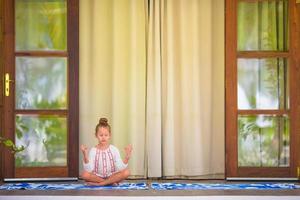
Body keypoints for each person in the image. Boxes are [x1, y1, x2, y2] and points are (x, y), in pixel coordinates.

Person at [80, 117, 132, 186]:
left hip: (112, 176)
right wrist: (85, 154)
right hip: (97, 177)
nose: (103, 137)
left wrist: (127, 157)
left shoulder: (114, 149)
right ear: (96, 135)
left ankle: (100, 184)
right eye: (101, 135)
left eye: (106, 135)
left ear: (109, 135)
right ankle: (109, 182)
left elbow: (120, 168)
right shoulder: (93, 150)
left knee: (127, 172)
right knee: (84, 174)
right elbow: (89, 169)